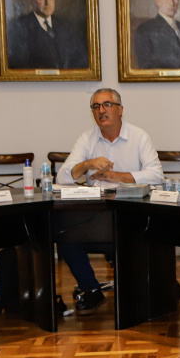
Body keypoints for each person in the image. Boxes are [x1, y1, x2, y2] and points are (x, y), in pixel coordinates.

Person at [56, 88, 164, 314]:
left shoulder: (139, 136)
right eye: (96, 107)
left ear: (120, 110)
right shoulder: (86, 139)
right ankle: (91, 289)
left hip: (130, 215)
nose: (101, 111)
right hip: (96, 216)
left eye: (107, 105)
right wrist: (87, 164)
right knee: (65, 236)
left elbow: (156, 176)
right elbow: (62, 177)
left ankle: (147, 286)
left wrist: (118, 177)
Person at [6, 0, 88, 70]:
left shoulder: (65, 26)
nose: (47, 2)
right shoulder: (19, 26)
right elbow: (17, 64)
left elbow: (80, 58)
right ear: (31, 1)